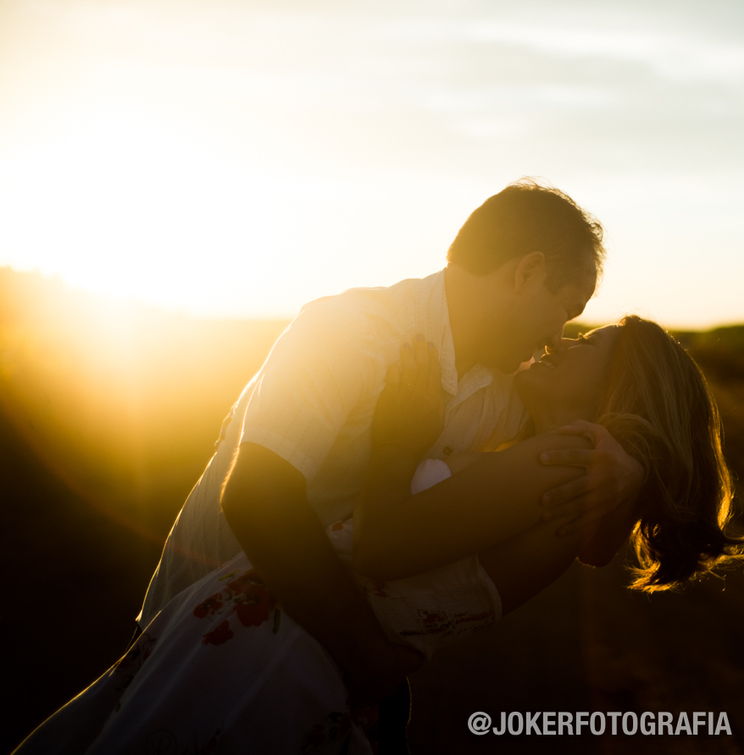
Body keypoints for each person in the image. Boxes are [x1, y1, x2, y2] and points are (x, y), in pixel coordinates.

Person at [16, 316, 744, 754]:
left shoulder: (561, 463)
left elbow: (380, 547)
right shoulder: (576, 473)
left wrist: (400, 436)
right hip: (284, 644)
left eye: (590, 342)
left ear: (617, 387)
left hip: (276, 655)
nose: (562, 340)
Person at [127, 179, 645, 747]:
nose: (556, 338)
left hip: (321, 660)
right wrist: (365, 657)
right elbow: (257, 495)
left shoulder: (507, 391)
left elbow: (590, 543)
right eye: (564, 310)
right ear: (525, 273)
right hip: (201, 640)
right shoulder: (349, 332)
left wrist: (625, 468)